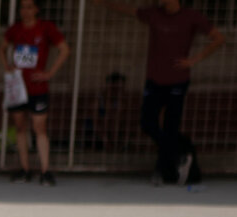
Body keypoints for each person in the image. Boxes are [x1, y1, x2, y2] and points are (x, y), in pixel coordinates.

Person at [92, 0, 225, 185]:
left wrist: (194, 60)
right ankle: (178, 154)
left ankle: (163, 172)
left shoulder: (191, 17)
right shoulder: (154, 13)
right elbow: (129, 10)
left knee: (171, 127)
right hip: (154, 79)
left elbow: (218, 38)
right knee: (147, 123)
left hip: (178, 80)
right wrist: (105, 3)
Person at [1, 0, 68, 186]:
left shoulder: (46, 27)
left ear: (37, 9)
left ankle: (45, 171)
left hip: (38, 88)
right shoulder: (15, 29)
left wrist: (49, 73)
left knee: (39, 128)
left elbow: (64, 50)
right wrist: (6, 66)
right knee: (20, 127)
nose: (26, 10)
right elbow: (2, 47)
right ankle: (25, 169)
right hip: (17, 88)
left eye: (30, 6)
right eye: (23, 7)